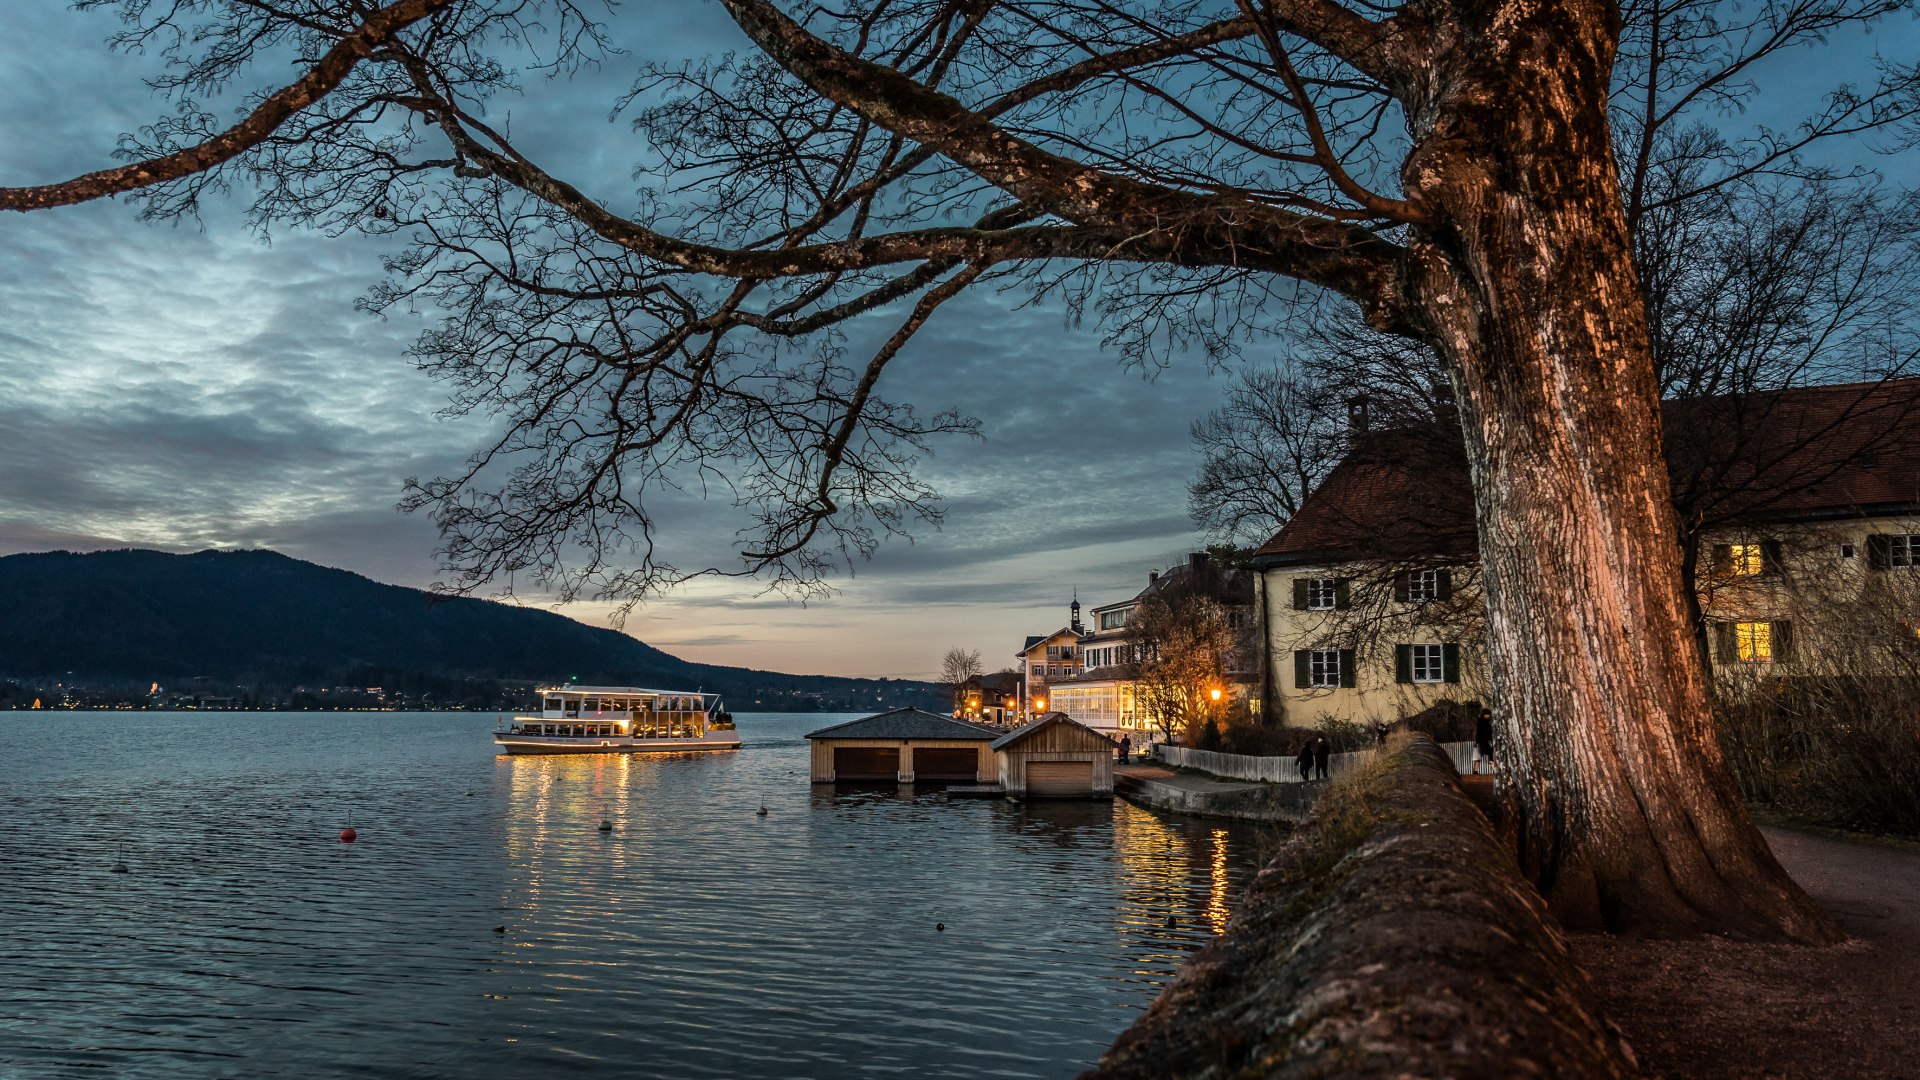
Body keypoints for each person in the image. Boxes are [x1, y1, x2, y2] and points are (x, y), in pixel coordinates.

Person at [1475, 707, 1495, 773]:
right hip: (1482, 741)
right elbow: (1486, 732)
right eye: (1487, 714)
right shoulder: (1483, 721)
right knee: (1490, 752)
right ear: (1484, 714)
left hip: (1482, 741)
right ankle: (1493, 767)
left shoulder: (1482, 721)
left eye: (1489, 714)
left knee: (1480, 755)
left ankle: (1475, 770)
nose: (1488, 716)